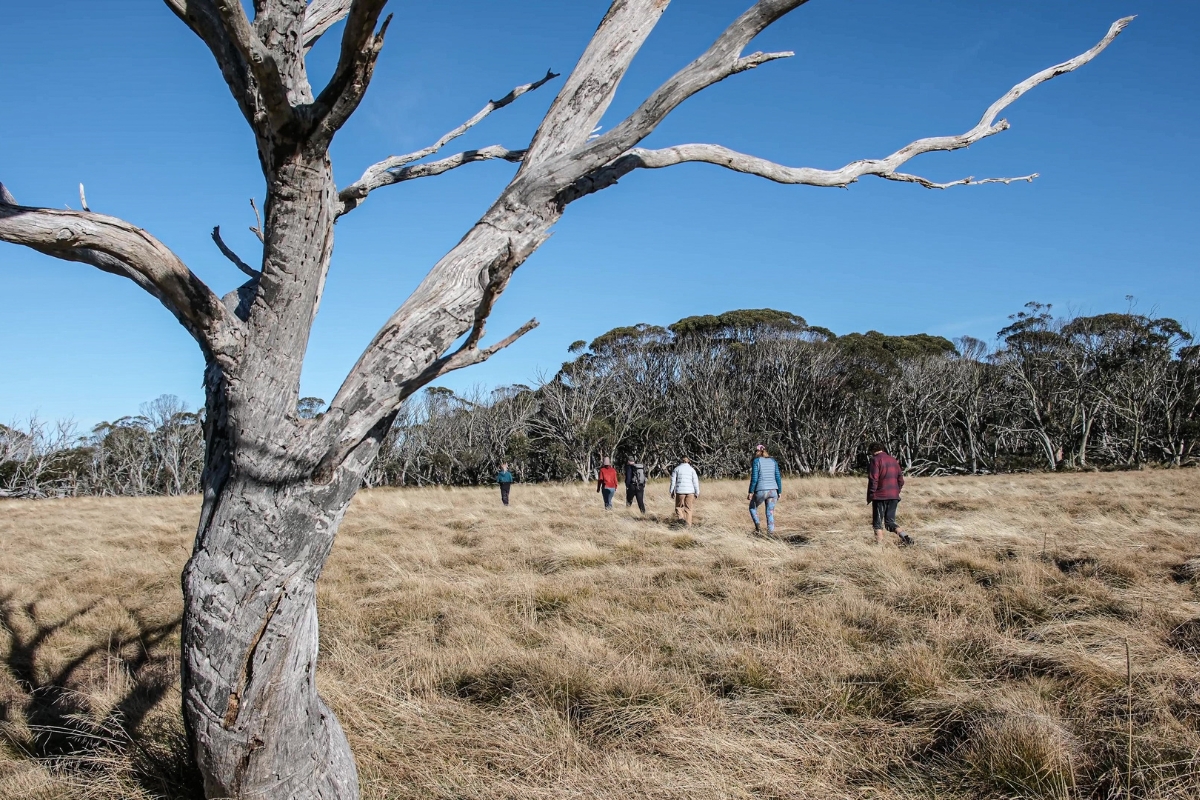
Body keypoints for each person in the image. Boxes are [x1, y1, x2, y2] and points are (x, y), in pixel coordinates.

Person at [866, 442, 914, 546]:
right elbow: (901, 480)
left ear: (872, 451)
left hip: (880, 496)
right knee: (890, 522)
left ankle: (879, 546)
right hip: (894, 496)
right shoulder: (893, 460)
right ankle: (906, 538)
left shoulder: (875, 460)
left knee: (877, 523)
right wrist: (896, 491)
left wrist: (872, 494)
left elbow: (873, 479)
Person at [747, 444, 782, 533]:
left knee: (752, 507)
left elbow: (754, 478)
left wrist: (751, 491)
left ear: (757, 452)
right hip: (773, 490)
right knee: (770, 512)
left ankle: (758, 528)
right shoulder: (773, 461)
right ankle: (770, 534)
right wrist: (779, 491)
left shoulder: (756, 461)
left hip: (761, 490)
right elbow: (778, 477)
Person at [669, 456, 700, 526]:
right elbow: (695, 482)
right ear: (689, 461)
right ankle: (688, 525)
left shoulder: (677, 469)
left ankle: (681, 520)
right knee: (688, 509)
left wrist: (671, 491)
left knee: (678, 508)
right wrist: (697, 492)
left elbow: (673, 481)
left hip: (680, 492)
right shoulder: (692, 470)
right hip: (690, 492)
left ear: (681, 460)